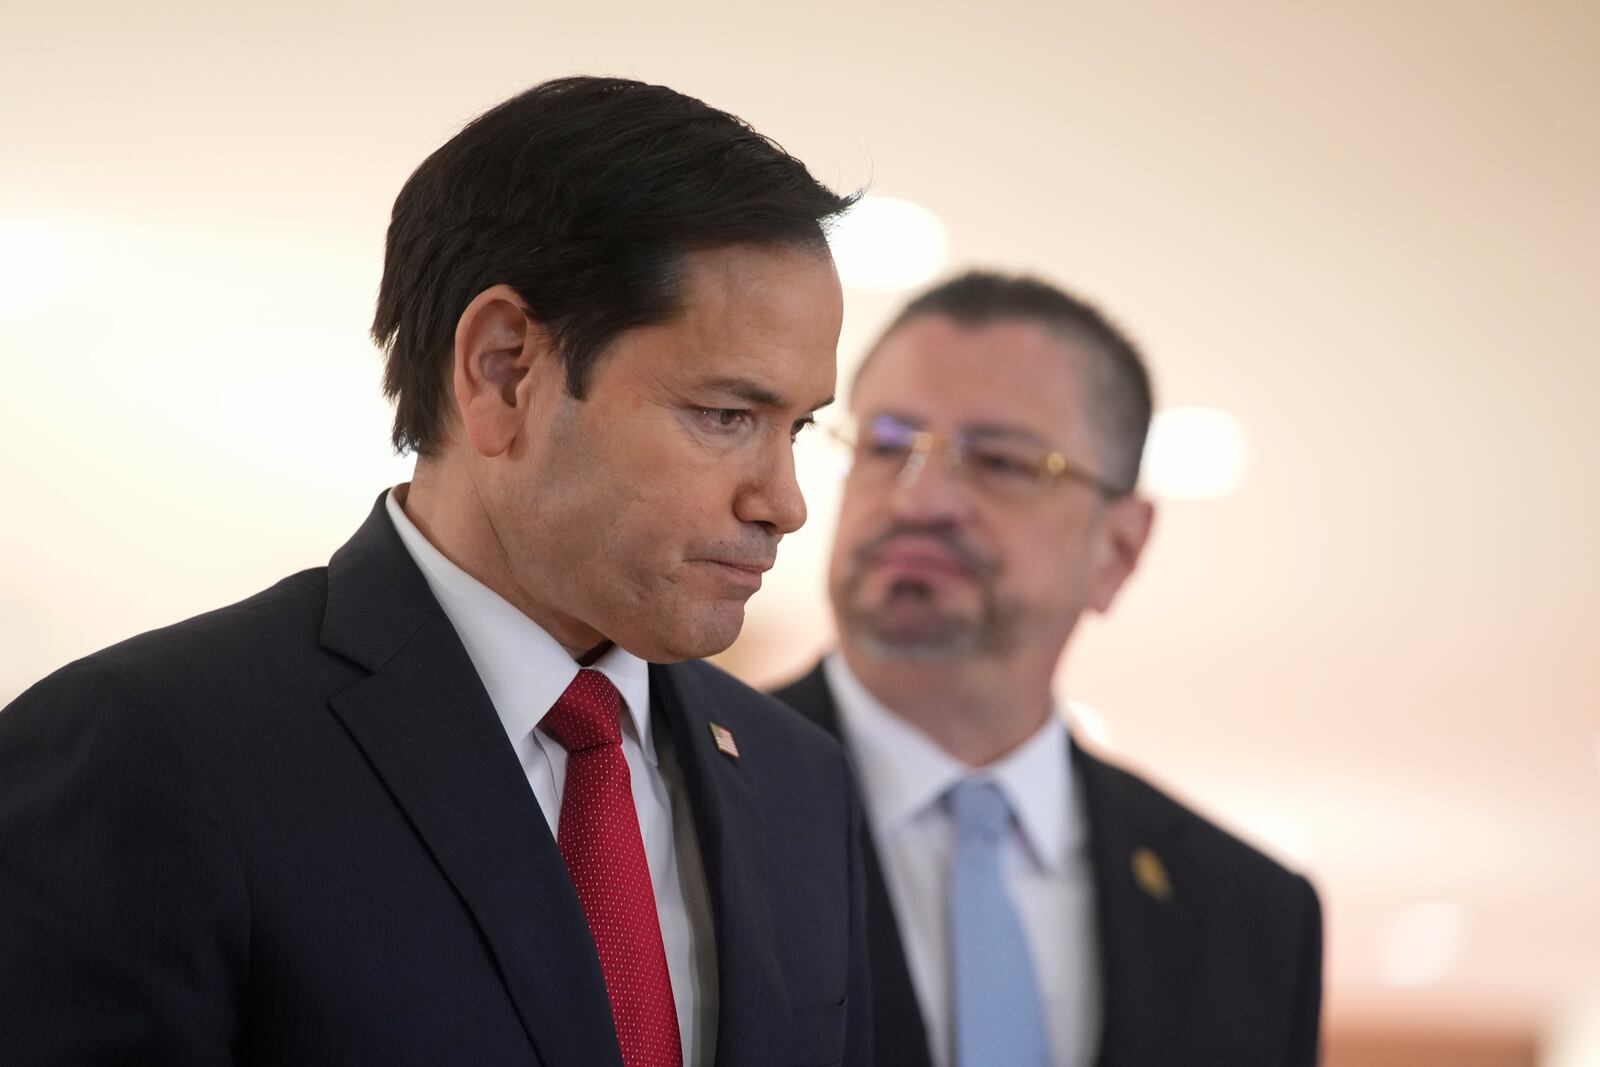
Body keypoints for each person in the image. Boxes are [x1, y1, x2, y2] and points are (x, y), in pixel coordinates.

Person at [0, 76, 870, 1067]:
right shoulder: (147, 751)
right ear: (502, 368)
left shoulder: (798, 782)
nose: (785, 501)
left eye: (795, 427)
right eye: (726, 416)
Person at [773, 271, 1322, 1067]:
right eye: (888, 444)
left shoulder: (1249, 912)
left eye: (998, 460)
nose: (918, 501)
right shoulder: (689, 793)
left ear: (1119, 549)